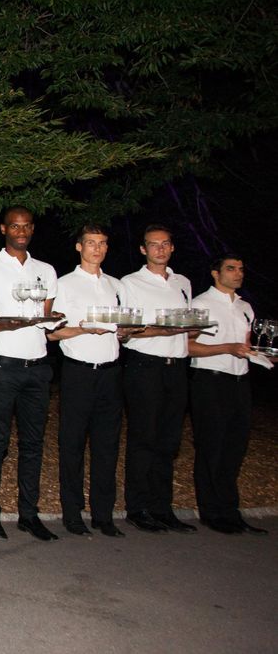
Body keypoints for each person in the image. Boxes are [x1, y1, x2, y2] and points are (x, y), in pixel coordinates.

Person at [0, 206, 59, 541]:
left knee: (33, 444)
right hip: (3, 365)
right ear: (3, 229)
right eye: (14, 226)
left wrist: (53, 322)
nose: (20, 231)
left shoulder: (46, 271)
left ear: (32, 229)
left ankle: (28, 514)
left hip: (38, 368)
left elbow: (44, 320)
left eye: (26, 226)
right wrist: (6, 323)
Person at [47, 225, 127, 538]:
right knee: (72, 443)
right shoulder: (64, 285)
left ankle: (104, 515)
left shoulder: (116, 285)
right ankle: (72, 513)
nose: (97, 248)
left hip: (111, 371)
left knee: (107, 445)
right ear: (79, 248)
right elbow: (53, 332)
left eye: (102, 243)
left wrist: (126, 331)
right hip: (79, 371)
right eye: (91, 243)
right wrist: (84, 328)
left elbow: (124, 327)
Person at [119, 224, 197, 534]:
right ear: (143, 250)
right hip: (145, 365)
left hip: (176, 366)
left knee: (169, 441)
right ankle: (137, 508)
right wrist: (163, 329)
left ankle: (162, 507)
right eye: (153, 245)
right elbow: (125, 330)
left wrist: (186, 329)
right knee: (143, 438)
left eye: (165, 244)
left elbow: (187, 325)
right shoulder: (130, 283)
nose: (160, 249)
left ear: (172, 248)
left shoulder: (183, 282)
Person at [188, 254, 268, 535]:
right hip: (211, 381)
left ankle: (230, 511)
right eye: (231, 269)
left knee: (235, 446)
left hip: (239, 381)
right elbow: (188, 347)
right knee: (212, 445)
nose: (238, 274)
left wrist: (264, 355)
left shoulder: (246, 307)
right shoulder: (200, 304)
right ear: (215, 273)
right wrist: (226, 348)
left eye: (241, 269)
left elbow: (246, 346)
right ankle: (211, 512)